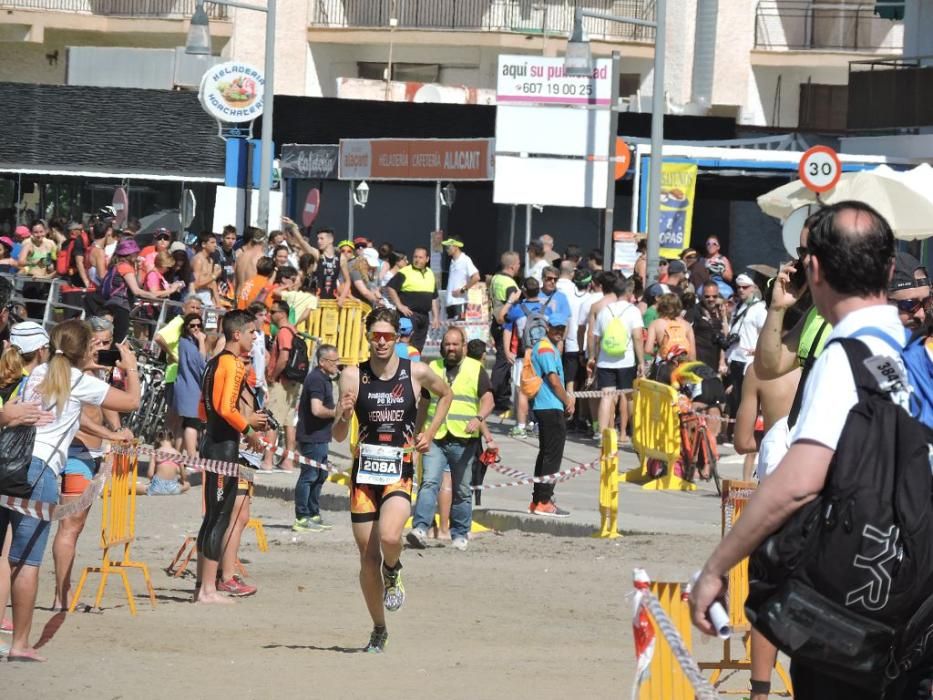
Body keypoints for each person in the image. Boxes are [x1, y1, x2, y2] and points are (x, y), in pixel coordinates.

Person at [688, 201, 921, 699]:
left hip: (854, 605)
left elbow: (797, 483)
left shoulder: (847, 356)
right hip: (915, 600)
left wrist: (716, 568)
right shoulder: (912, 354)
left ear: (813, 268)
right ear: (887, 269)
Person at [0, 320, 140, 661]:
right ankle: (20, 643)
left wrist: (86, 363)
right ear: (83, 351)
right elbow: (132, 401)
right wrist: (131, 367)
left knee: (4, 555)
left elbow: (71, 414)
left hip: (10, 463)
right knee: (26, 561)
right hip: (41, 470)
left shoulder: (40, 373)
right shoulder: (80, 381)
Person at [332, 307, 452, 653]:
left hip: (398, 468)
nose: (382, 341)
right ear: (368, 337)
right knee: (366, 559)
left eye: (388, 335)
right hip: (364, 474)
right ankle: (378, 627)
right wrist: (342, 412)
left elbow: (445, 394)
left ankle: (394, 568)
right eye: (376, 335)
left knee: (389, 535)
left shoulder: (415, 372)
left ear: (397, 337)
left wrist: (428, 432)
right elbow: (339, 436)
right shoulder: (353, 376)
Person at [52, 317, 134, 611]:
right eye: (95, 343)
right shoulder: (72, 375)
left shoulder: (95, 374)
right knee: (69, 527)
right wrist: (108, 434)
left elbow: (104, 406)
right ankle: (61, 596)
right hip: (75, 454)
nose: (101, 349)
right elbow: (73, 418)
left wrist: (118, 430)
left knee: (76, 526)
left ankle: (63, 592)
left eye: (106, 343)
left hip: (91, 455)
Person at [194, 310, 267, 605]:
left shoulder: (213, 363)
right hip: (223, 447)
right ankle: (208, 590)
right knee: (220, 518)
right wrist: (249, 430)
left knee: (212, 517)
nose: (254, 338)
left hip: (211, 441)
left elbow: (205, 409)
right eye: (252, 333)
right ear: (237, 334)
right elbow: (226, 408)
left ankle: (203, 584)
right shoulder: (234, 364)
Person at [407, 327, 493, 551]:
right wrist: (418, 434)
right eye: (447, 344)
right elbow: (424, 405)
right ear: (442, 346)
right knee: (429, 483)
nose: (451, 348)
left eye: (455, 344)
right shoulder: (433, 368)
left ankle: (460, 533)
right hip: (435, 436)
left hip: (464, 439)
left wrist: (479, 418)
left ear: (464, 346)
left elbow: (488, 401)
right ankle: (420, 528)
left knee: (462, 489)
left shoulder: (476, 369)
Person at [529, 312, 574, 516]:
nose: (559, 332)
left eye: (562, 328)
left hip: (545, 406)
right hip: (550, 405)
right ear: (547, 327)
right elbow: (554, 380)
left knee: (546, 454)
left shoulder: (549, 347)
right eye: (556, 328)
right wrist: (567, 400)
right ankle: (544, 500)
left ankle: (538, 499)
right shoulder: (546, 348)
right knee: (552, 456)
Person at [589, 276, 644, 444]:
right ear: (629, 293)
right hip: (626, 360)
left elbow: (596, 338)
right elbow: (637, 337)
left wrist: (595, 358)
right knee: (628, 396)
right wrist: (641, 361)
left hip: (605, 360)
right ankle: (632, 433)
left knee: (607, 396)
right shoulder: (633, 311)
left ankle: (603, 435)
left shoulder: (605, 310)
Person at [293, 344, 339, 533]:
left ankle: (313, 514)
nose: (337, 364)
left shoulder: (325, 379)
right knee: (309, 475)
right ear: (322, 362)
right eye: (334, 361)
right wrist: (336, 412)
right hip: (312, 437)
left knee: (320, 475)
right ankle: (302, 517)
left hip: (320, 437)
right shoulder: (316, 380)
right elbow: (317, 409)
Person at [102, 239, 178, 343]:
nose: (138, 255)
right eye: (135, 253)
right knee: (119, 339)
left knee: (113, 338)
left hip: (113, 303)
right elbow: (136, 290)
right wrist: (153, 295)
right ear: (129, 254)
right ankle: (112, 358)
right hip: (120, 305)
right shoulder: (125, 267)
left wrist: (138, 268)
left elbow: (137, 283)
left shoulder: (119, 265)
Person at [724, 273, 766, 431]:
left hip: (749, 360)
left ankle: (743, 431)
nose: (741, 290)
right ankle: (732, 431)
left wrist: (758, 349)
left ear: (754, 288)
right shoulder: (738, 306)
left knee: (745, 398)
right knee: (734, 398)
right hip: (735, 357)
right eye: (739, 287)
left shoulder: (760, 308)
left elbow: (765, 332)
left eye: (745, 287)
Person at [263, 300, 302, 472]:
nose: (269, 315)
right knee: (288, 422)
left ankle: (268, 461)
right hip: (291, 384)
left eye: (272, 311)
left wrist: (272, 375)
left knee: (272, 421)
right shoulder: (294, 330)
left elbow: (284, 357)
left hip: (281, 383)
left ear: (282, 314)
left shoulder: (284, 332)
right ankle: (288, 461)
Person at [385, 246, 440, 352]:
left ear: (427, 259)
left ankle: (414, 366)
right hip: (408, 315)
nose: (417, 260)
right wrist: (399, 305)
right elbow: (391, 287)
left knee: (418, 348)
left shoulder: (430, 274)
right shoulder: (405, 272)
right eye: (415, 257)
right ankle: (402, 367)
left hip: (424, 316)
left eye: (420, 257)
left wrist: (436, 317)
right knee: (405, 344)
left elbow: (434, 297)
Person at [489, 251, 521, 412]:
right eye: (519, 264)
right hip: (506, 325)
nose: (519, 267)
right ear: (512, 266)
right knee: (502, 363)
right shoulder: (510, 284)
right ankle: (490, 395)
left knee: (503, 362)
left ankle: (502, 398)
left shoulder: (495, 279)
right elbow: (511, 306)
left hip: (495, 323)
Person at [174, 313, 208, 456]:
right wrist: (201, 342)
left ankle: (177, 456)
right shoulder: (187, 344)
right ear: (186, 327)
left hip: (187, 387)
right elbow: (201, 365)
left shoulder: (187, 342)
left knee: (184, 424)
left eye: (199, 325)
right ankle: (192, 458)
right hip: (190, 389)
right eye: (192, 325)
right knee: (192, 423)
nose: (196, 328)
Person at [644, 293, 696, 376]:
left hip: (664, 366)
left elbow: (648, 349)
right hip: (683, 368)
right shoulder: (687, 325)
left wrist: (660, 353)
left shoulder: (656, 324)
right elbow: (692, 355)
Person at [686, 281, 728, 373]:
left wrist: (724, 316)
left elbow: (725, 336)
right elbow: (685, 335)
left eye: (714, 296)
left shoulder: (720, 310)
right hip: (699, 359)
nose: (711, 299)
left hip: (716, 361)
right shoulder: (694, 311)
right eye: (707, 296)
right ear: (702, 296)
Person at [443, 236, 480, 321]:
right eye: (446, 247)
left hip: (460, 302)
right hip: (450, 302)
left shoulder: (465, 260)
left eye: (449, 246)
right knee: (451, 331)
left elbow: (476, 277)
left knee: (460, 329)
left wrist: (462, 290)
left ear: (456, 246)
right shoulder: (452, 262)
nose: (446, 249)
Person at [142, 430, 190, 496]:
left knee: (140, 487)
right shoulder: (178, 454)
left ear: (158, 439)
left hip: (156, 488)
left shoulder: (155, 453)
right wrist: (182, 480)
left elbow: (150, 474)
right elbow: (184, 477)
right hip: (173, 489)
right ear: (172, 440)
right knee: (187, 484)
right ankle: (177, 489)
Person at [192, 231, 221, 306]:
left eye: (215, 242)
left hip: (208, 299)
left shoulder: (210, 260)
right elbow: (195, 285)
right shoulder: (198, 260)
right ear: (204, 244)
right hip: (198, 300)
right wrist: (214, 276)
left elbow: (213, 283)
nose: (215, 245)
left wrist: (218, 304)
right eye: (212, 242)